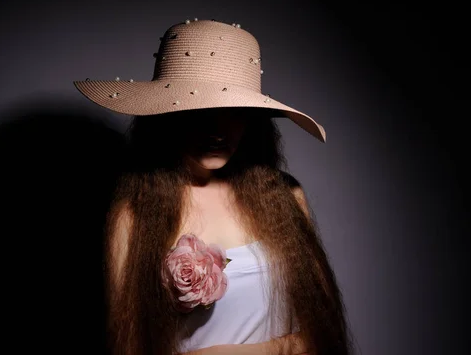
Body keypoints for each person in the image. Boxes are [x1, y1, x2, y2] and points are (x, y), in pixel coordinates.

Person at [73, 19, 353, 355]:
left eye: (233, 111)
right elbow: (127, 346)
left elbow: (323, 335)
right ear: (166, 115)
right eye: (198, 110)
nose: (217, 129)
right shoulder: (134, 217)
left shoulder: (287, 198)